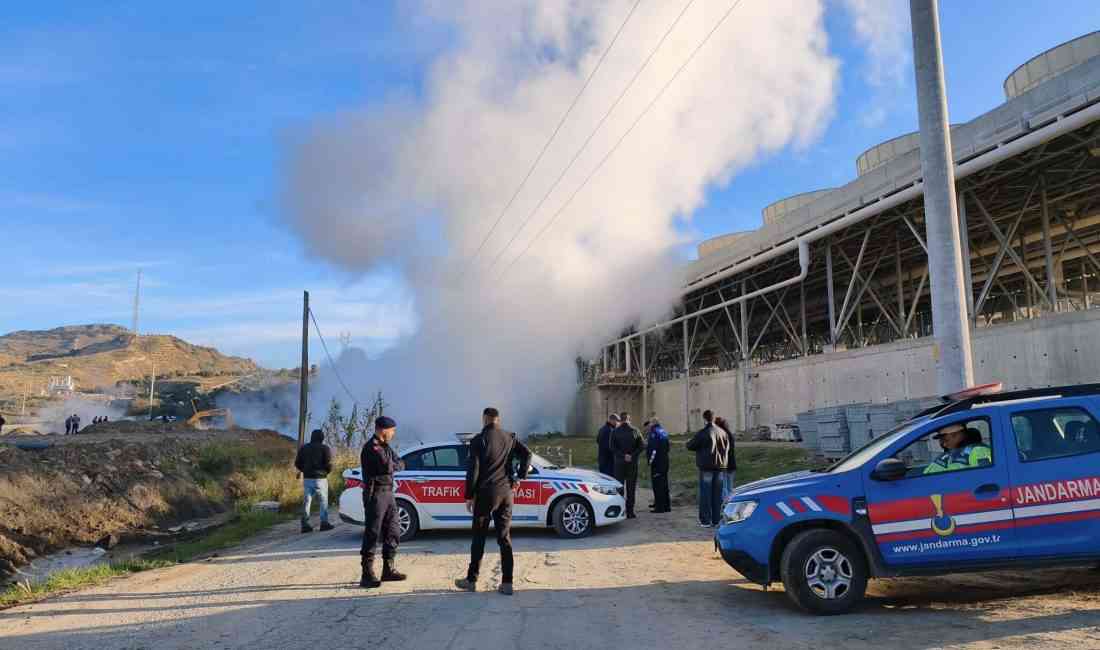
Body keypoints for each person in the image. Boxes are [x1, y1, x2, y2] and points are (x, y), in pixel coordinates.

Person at [455, 407, 532, 596]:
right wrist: (519, 477)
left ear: (484, 419)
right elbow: (527, 454)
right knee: (504, 538)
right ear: (498, 419)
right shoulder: (509, 437)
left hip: (485, 494)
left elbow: (473, 470)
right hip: (506, 493)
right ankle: (507, 583)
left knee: (479, 537)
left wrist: (469, 495)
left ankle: (471, 580)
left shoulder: (478, 440)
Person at [359, 415, 407, 588]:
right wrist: (394, 465)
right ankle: (367, 574)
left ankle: (388, 569)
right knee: (372, 533)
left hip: (388, 493)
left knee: (393, 531)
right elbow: (388, 466)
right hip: (376, 494)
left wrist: (394, 464)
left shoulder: (385, 446)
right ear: (383, 430)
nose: (393, 434)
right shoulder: (372, 447)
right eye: (392, 431)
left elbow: (401, 463)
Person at [686, 409, 729, 528]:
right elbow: (726, 448)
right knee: (717, 494)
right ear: (713, 418)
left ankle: (705, 520)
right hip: (720, 466)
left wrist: (688, 442)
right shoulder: (722, 432)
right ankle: (716, 519)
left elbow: (691, 445)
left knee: (705, 494)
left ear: (704, 419)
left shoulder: (703, 432)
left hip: (707, 467)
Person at [295, 428, 334, 533]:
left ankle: (305, 525)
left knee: (307, 501)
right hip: (321, 479)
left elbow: (297, 463)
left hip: (307, 478)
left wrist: (304, 470)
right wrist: (326, 472)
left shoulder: (304, 448)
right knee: (323, 501)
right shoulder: (325, 448)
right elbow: (328, 464)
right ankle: (324, 523)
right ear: (322, 438)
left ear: (312, 437)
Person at [610, 411, 644, 519]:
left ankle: (620, 511)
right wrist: (632, 455)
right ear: (629, 419)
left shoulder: (615, 431)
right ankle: (630, 511)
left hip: (619, 463)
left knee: (619, 487)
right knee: (631, 488)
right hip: (632, 463)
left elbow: (612, 447)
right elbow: (641, 446)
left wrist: (622, 455)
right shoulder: (635, 431)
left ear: (620, 419)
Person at [923, 423, 992, 474]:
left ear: (958, 435)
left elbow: (984, 476)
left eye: (946, 440)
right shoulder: (951, 452)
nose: (944, 444)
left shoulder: (979, 451)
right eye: (941, 441)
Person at [646, 418, 671, 513]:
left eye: (649, 424)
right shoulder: (663, 431)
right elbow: (668, 447)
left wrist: (650, 461)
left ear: (652, 424)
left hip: (657, 463)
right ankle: (667, 506)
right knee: (664, 484)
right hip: (665, 461)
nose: (649, 425)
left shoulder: (654, 433)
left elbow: (653, 450)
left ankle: (660, 507)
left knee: (657, 485)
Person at [714, 416, 737, 500]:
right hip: (730, 462)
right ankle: (730, 501)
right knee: (729, 486)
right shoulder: (728, 433)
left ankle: (725, 502)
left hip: (723, 463)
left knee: (724, 486)